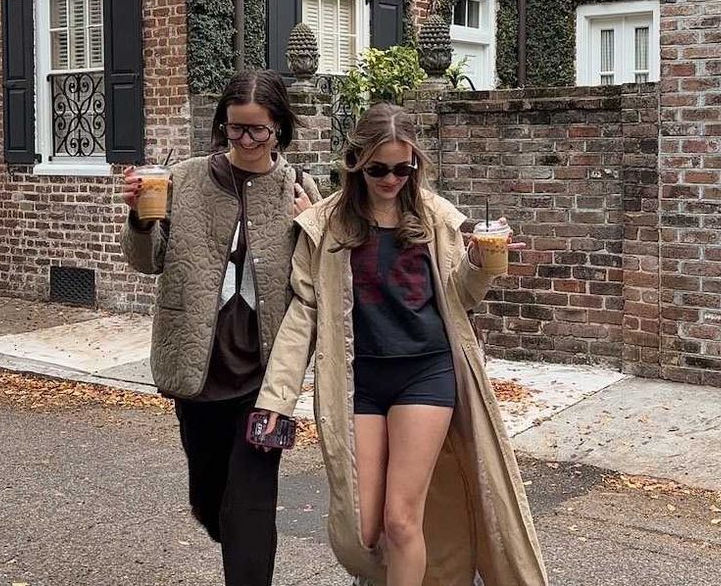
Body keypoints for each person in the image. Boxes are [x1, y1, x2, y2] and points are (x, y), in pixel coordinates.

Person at [253, 103, 548, 586]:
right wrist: (276, 400)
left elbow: (460, 298)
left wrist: (477, 263)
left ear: (415, 163)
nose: (391, 178)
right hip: (360, 381)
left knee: (400, 519)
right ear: (356, 163)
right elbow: (304, 313)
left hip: (426, 375)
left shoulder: (435, 218)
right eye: (378, 168)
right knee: (361, 528)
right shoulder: (326, 225)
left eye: (402, 167)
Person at [120, 69, 320, 586]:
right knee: (211, 501)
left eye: (259, 130)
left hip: (265, 378)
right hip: (198, 370)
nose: (247, 140)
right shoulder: (183, 179)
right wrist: (140, 220)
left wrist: (314, 225)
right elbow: (149, 262)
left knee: (251, 507)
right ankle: (220, 520)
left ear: (280, 129)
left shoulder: (298, 188)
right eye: (236, 129)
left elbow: (317, 281)